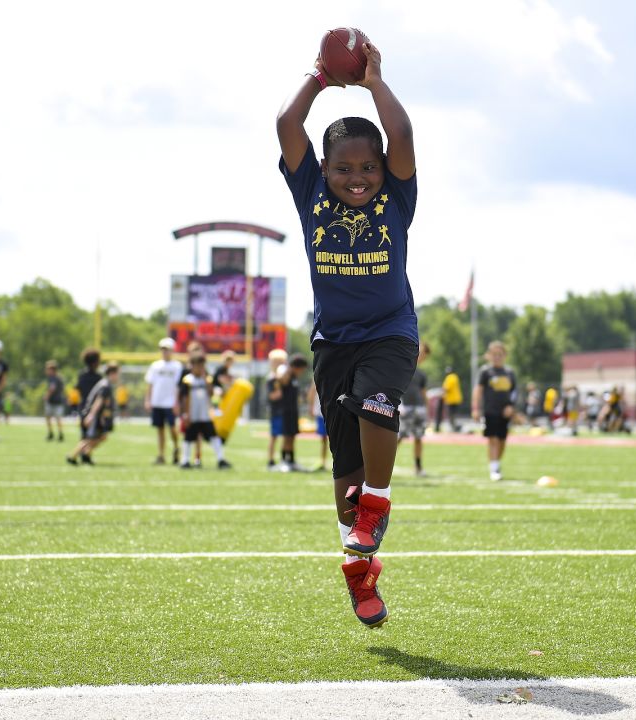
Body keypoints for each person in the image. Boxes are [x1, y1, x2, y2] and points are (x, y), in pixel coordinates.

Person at [278, 39, 418, 628]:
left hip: (389, 333)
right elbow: (287, 124)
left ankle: (379, 505)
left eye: (367, 167)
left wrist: (374, 84)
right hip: (332, 343)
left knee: (375, 403)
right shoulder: (309, 191)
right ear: (324, 170)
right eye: (344, 168)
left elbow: (403, 139)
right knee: (345, 473)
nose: (356, 177)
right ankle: (360, 576)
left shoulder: (397, 195)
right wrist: (319, 77)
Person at [473, 341, 517, 481]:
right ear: (489, 355)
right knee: (493, 440)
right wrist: (476, 408)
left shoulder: (509, 372)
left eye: (500, 354)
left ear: (505, 355)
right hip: (490, 411)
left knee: (502, 441)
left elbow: (514, 392)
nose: (497, 357)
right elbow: (478, 391)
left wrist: (511, 407)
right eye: (494, 354)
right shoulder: (486, 371)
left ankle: (496, 463)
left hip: (505, 412)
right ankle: (494, 468)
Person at [179, 352, 230, 469]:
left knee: (214, 436)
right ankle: (185, 460)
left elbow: (211, 394)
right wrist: (186, 414)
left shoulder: (207, 379)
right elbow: (184, 398)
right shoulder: (188, 380)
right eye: (198, 366)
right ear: (192, 366)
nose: (201, 368)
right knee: (188, 438)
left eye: (202, 366)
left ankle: (220, 459)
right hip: (193, 415)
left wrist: (208, 384)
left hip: (205, 414)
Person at [68, 363, 119, 465]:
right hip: (94, 416)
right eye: (117, 374)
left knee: (101, 437)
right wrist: (91, 415)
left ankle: (86, 454)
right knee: (91, 438)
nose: (118, 376)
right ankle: (72, 456)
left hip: (97, 416)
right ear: (112, 373)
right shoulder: (105, 385)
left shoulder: (106, 384)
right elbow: (99, 401)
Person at [145, 337, 184, 465]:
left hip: (170, 402)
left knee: (172, 428)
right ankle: (161, 455)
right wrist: (148, 400)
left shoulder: (177, 366)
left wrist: (176, 402)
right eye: (163, 349)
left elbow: (178, 386)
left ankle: (176, 448)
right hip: (157, 401)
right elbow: (150, 384)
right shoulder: (155, 366)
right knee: (160, 429)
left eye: (167, 349)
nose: (165, 352)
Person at [397, 341, 430, 477]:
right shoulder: (402, 368)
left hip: (419, 409)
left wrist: (427, 410)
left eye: (424, 354)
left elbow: (423, 393)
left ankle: (418, 467)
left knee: (418, 438)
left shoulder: (422, 374)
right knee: (398, 438)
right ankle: (384, 465)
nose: (420, 355)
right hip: (405, 408)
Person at [74, 348, 103, 463]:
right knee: (94, 435)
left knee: (84, 433)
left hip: (82, 407)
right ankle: (84, 454)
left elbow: (77, 389)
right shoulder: (98, 377)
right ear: (95, 362)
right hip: (93, 409)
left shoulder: (82, 375)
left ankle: (84, 454)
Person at [265, 348, 290, 469]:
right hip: (276, 411)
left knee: (285, 435)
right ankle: (270, 460)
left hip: (284, 410)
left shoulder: (282, 377)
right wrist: (279, 390)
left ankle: (283, 459)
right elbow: (273, 396)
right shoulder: (272, 379)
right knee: (274, 436)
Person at [307, 380, 329, 473]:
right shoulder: (318, 374)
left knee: (328, 439)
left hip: (329, 411)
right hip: (321, 412)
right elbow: (312, 392)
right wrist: (311, 408)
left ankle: (325, 461)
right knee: (324, 439)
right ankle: (323, 461)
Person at [43, 360, 67, 442]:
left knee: (54, 418)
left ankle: (54, 434)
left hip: (54, 401)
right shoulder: (59, 378)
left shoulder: (53, 378)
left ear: (52, 370)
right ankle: (57, 434)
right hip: (57, 401)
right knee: (55, 418)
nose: (46, 371)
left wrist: (47, 396)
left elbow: (52, 388)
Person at [439, 366, 463, 432]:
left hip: (452, 399)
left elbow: (447, 388)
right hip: (456, 398)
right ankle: (454, 426)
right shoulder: (455, 376)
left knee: (451, 414)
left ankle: (453, 427)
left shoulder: (450, 377)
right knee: (453, 414)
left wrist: (442, 394)